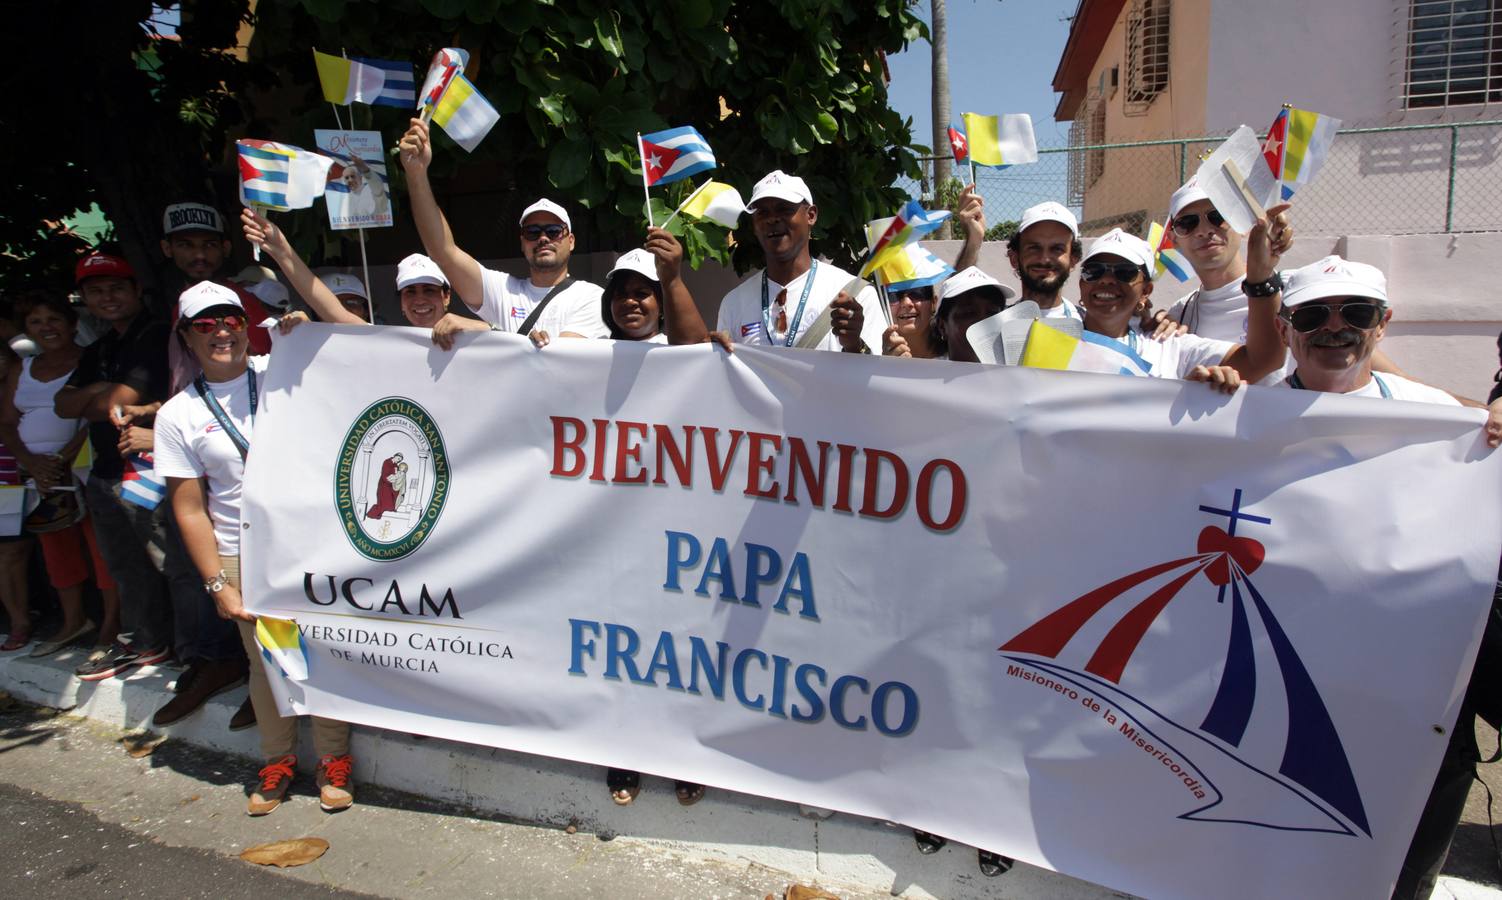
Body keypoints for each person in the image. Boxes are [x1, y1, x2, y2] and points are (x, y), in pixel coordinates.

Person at [152, 281, 355, 816]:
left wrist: (307, 333)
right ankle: (278, 759)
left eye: (232, 321)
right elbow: (189, 507)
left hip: (309, 541)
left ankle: (334, 760)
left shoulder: (280, 373)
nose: (221, 332)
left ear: (247, 328)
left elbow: (351, 355)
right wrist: (218, 582)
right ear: (187, 338)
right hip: (240, 551)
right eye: (205, 325)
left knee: (321, 651)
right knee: (267, 662)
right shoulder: (176, 415)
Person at [53, 253, 175, 679]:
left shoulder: (156, 333)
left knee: (169, 564)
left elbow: (112, 403)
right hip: (104, 470)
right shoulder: (101, 347)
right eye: (96, 290)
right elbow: (61, 405)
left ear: (136, 290)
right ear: (84, 298)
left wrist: (101, 393)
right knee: (126, 566)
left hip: (148, 468)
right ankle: (148, 643)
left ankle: (195, 652)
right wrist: (102, 393)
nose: (108, 297)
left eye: (117, 288)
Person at [398, 119, 607, 347]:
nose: (543, 238)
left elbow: (557, 357)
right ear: (522, 242)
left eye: (554, 231)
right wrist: (416, 174)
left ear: (571, 241)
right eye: (532, 232)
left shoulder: (592, 297)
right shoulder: (503, 290)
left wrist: (486, 329)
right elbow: (442, 251)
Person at [0, 293, 116, 657]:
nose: (46, 328)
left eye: (53, 319)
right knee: (55, 548)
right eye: (36, 322)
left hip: (81, 467)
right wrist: (31, 463)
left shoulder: (89, 360)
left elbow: (92, 416)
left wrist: (63, 458)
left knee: (101, 548)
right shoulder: (22, 368)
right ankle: (72, 620)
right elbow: (6, 422)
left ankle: (112, 626)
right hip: (35, 476)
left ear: (71, 324)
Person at [1076, 220, 1288, 391]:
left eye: (1124, 272)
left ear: (1146, 291)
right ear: (1081, 284)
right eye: (1093, 271)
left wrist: (1260, 277)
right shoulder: (1051, 338)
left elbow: (1263, 360)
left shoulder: (1170, 346)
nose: (1106, 280)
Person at [716, 170, 884, 353]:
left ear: (811, 215)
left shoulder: (854, 293)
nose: (772, 218)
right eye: (762, 212)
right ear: (754, 225)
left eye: (784, 209)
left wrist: (854, 345)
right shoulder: (733, 303)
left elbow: (878, 377)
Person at [954, 196, 1082, 321]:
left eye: (1057, 249)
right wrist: (973, 240)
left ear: (1073, 260)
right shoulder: (995, 326)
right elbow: (956, 304)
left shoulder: (1090, 326)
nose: (1044, 259)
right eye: (1034, 248)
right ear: (1014, 258)